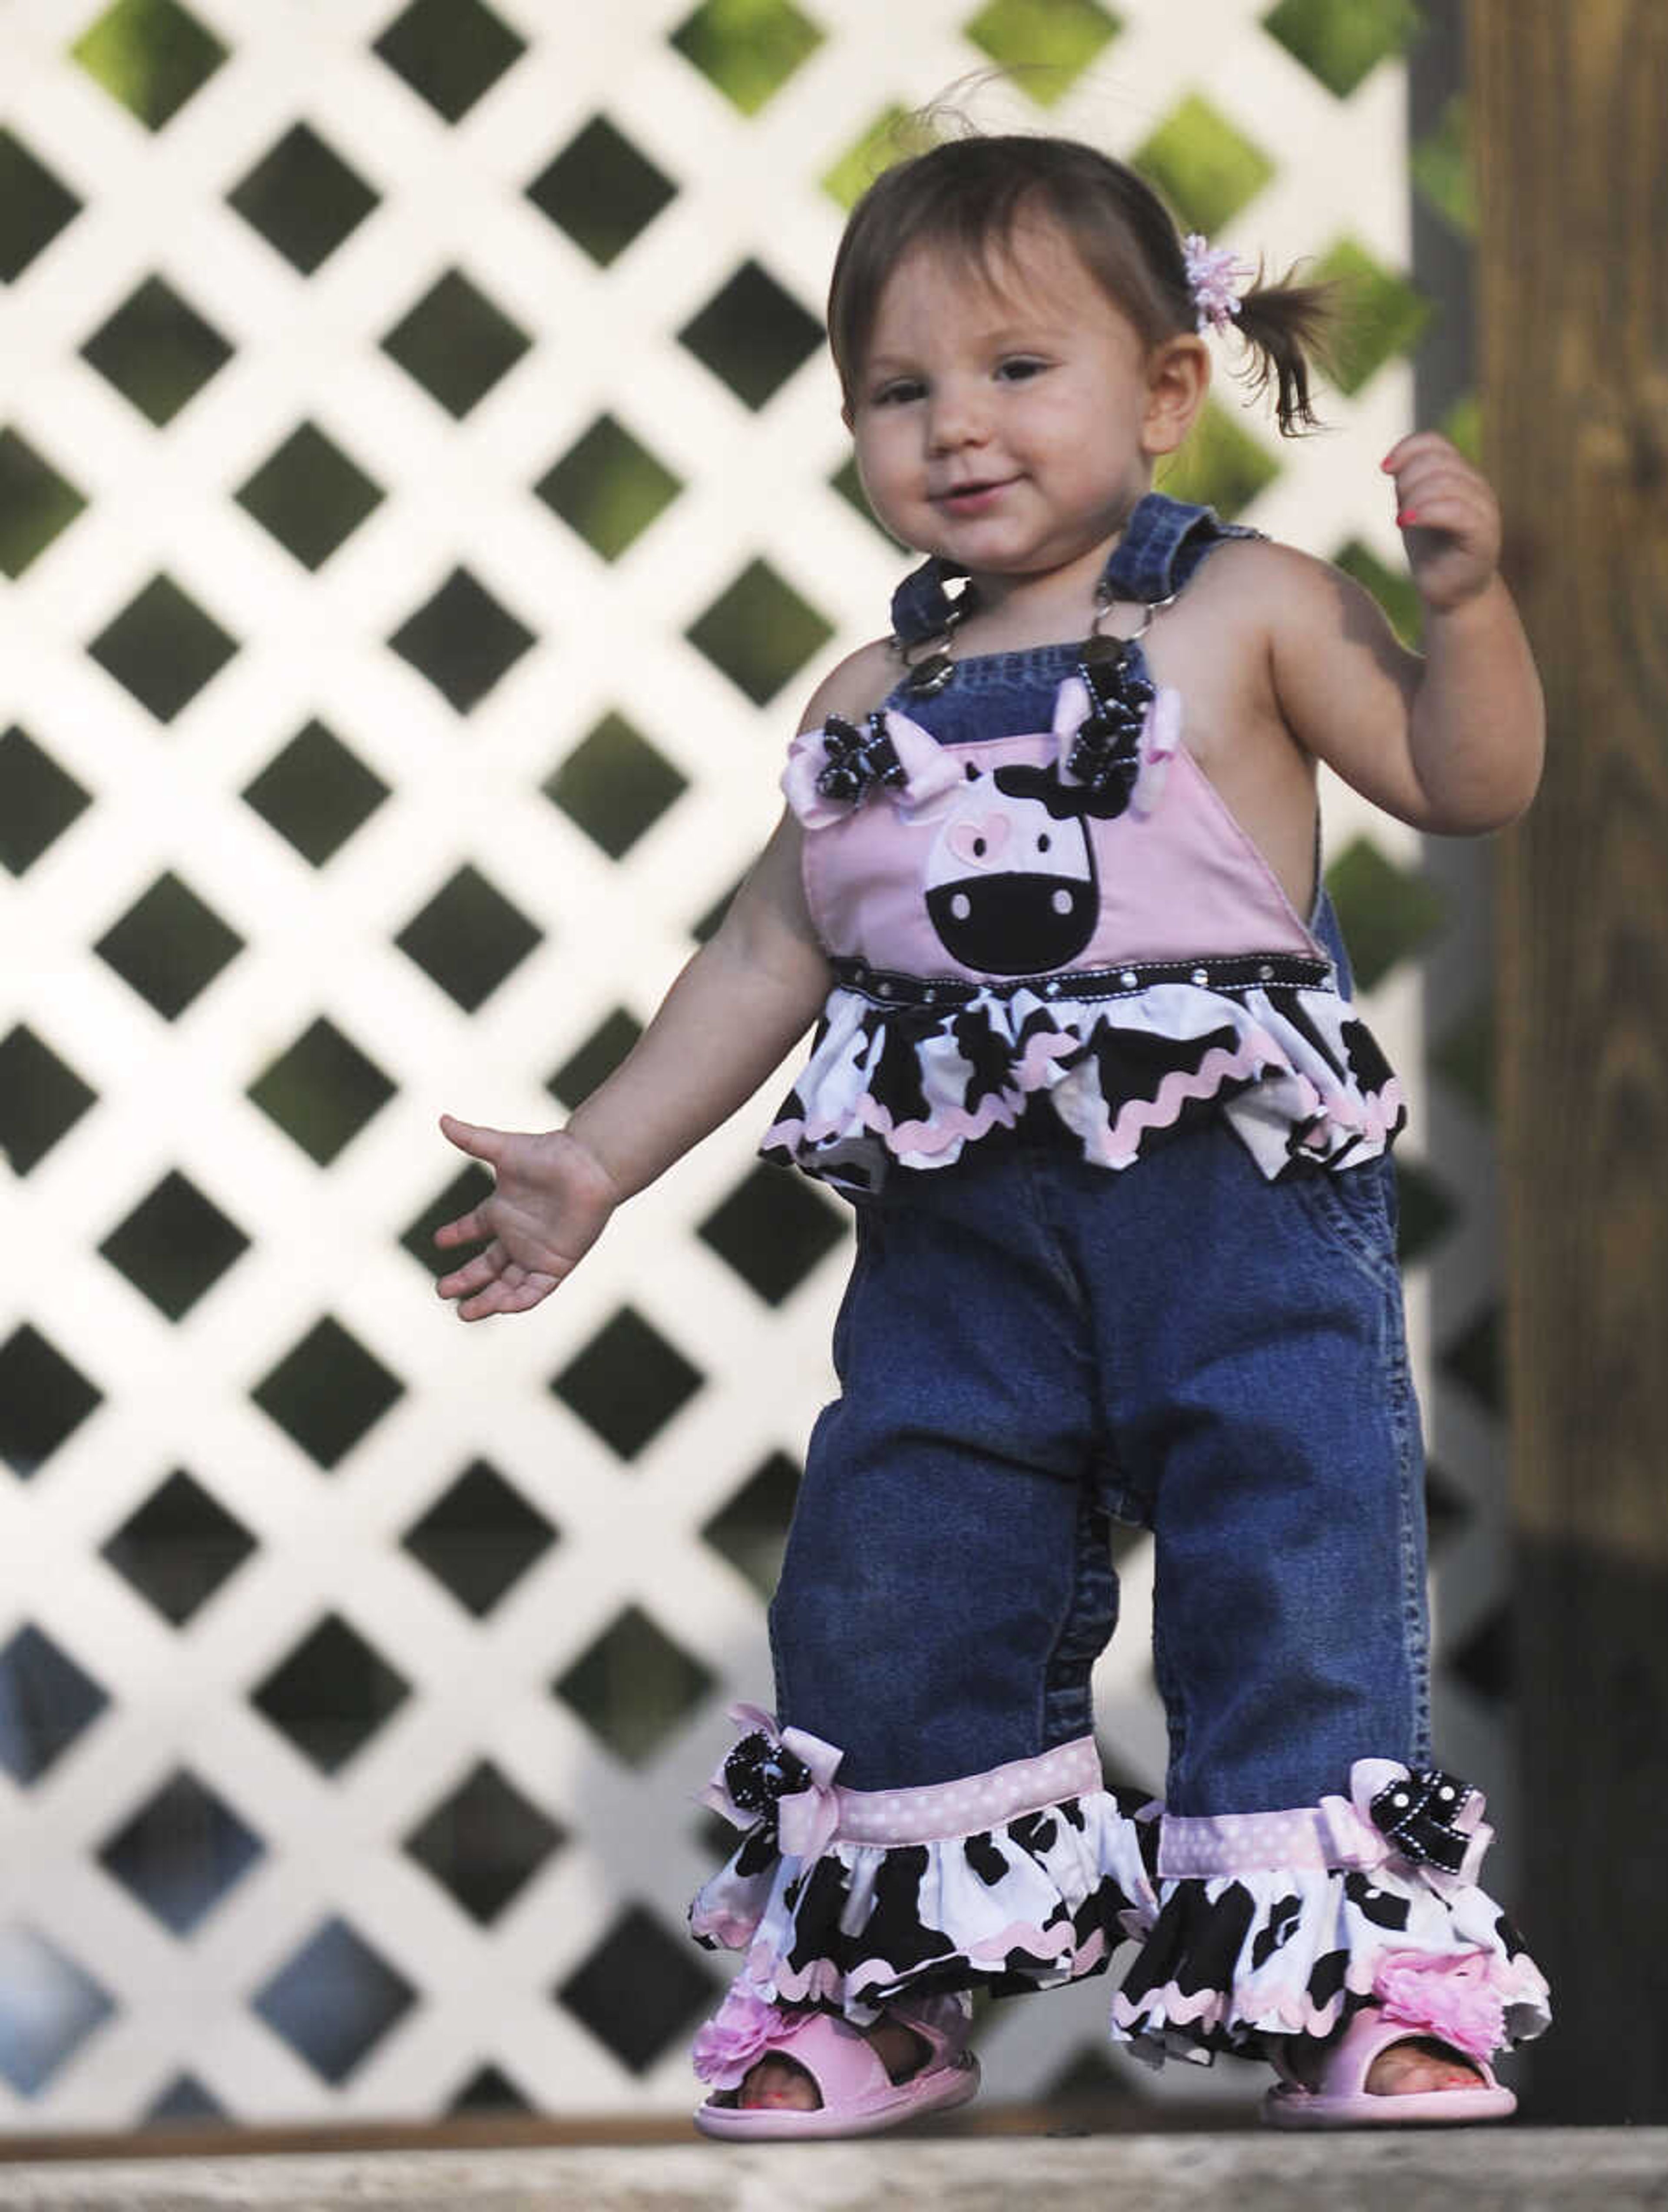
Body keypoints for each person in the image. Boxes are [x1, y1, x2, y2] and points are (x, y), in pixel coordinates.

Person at [434, 131, 1551, 2137]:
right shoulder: (876, 687)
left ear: (1166, 388)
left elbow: (1464, 782)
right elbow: (774, 945)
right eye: (899, 387)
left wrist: (1462, 612)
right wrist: (597, 1157)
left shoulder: (1254, 609)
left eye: (1018, 370)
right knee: (898, 1569)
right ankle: (890, 1985)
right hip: (963, 1253)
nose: (956, 426)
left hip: (1237, 1221)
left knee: (1287, 1561)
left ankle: (1361, 1993)